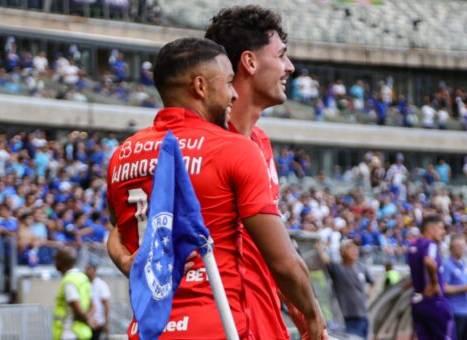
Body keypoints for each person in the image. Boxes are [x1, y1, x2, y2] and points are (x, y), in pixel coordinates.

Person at [106, 37, 326, 339]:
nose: (234, 94)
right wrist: (312, 315)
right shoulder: (233, 149)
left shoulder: (123, 154)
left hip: (149, 328)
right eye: (228, 83)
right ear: (200, 86)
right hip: (218, 323)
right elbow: (283, 261)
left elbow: (118, 232)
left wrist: (124, 261)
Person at [205, 6, 305, 339]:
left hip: (265, 324)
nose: (290, 67)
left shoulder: (260, 142)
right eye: (281, 56)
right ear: (249, 62)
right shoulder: (207, 146)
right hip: (225, 323)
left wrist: (299, 308)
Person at [408, 214, 456, 340]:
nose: (444, 232)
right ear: (430, 228)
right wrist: (434, 283)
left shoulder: (413, 246)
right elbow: (429, 261)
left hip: (418, 303)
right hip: (434, 301)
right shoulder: (431, 244)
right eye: (441, 228)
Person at [321, 240, 374, 339]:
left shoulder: (361, 267)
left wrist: (368, 294)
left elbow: (372, 282)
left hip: (364, 316)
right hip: (348, 319)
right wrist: (317, 242)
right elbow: (324, 259)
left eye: (356, 249)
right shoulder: (338, 268)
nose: (355, 251)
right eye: (351, 249)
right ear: (343, 252)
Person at [52, 247, 94, 340]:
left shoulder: (69, 281)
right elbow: (93, 305)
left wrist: (87, 319)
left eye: (56, 259)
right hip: (83, 333)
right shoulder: (82, 277)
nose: (55, 262)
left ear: (63, 262)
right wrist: (89, 318)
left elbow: (77, 310)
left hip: (70, 333)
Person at [443, 235, 467, 340]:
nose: (462, 249)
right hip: (455, 312)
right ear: (451, 249)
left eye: (463, 246)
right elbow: (444, 288)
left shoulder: (462, 264)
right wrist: (466, 288)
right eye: (458, 246)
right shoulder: (448, 265)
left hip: (465, 311)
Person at [85, 258, 111, 340]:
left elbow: (106, 304)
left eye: (89, 269)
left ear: (94, 270)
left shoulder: (101, 285)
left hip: (98, 323)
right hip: (87, 322)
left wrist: (106, 322)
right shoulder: (84, 283)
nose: (86, 271)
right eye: (86, 268)